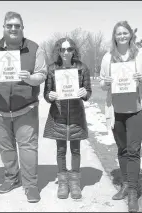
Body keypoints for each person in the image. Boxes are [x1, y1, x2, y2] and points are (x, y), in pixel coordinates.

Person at [0, 11, 47, 203]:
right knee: (6, 148)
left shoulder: (35, 49)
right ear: (4, 28)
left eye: (17, 25)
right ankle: (11, 177)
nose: (13, 28)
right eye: (9, 25)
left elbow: (42, 74)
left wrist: (30, 78)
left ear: (22, 28)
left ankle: (31, 185)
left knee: (28, 148)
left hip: (26, 108)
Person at [99, 21, 142, 212]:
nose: (122, 36)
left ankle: (132, 191)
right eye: (118, 33)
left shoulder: (141, 55)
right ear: (114, 36)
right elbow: (101, 82)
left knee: (133, 150)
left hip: (136, 111)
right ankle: (124, 184)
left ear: (131, 35)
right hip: (116, 111)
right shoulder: (108, 57)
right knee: (122, 149)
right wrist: (105, 82)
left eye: (125, 33)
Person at [43, 38, 92, 200]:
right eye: (63, 49)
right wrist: (50, 96)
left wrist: (85, 94)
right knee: (61, 150)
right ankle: (63, 182)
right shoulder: (52, 69)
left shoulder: (82, 68)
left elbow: (88, 91)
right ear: (58, 51)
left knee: (76, 150)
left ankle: (75, 182)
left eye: (69, 49)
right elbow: (46, 93)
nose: (66, 52)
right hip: (59, 115)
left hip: (76, 115)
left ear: (74, 51)